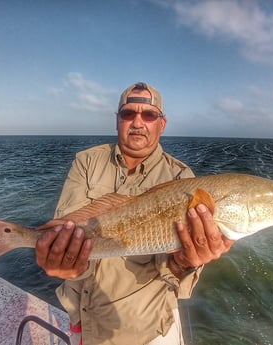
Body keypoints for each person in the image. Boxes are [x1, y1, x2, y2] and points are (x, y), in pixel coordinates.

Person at [35, 82, 235, 345]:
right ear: (117, 120)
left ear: (162, 124)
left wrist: (188, 262)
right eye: (128, 114)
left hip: (145, 330)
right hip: (81, 318)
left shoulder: (181, 179)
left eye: (149, 115)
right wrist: (61, 261)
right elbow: (68, 228)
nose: (138, 122)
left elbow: (176, 274)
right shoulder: (87, 161)